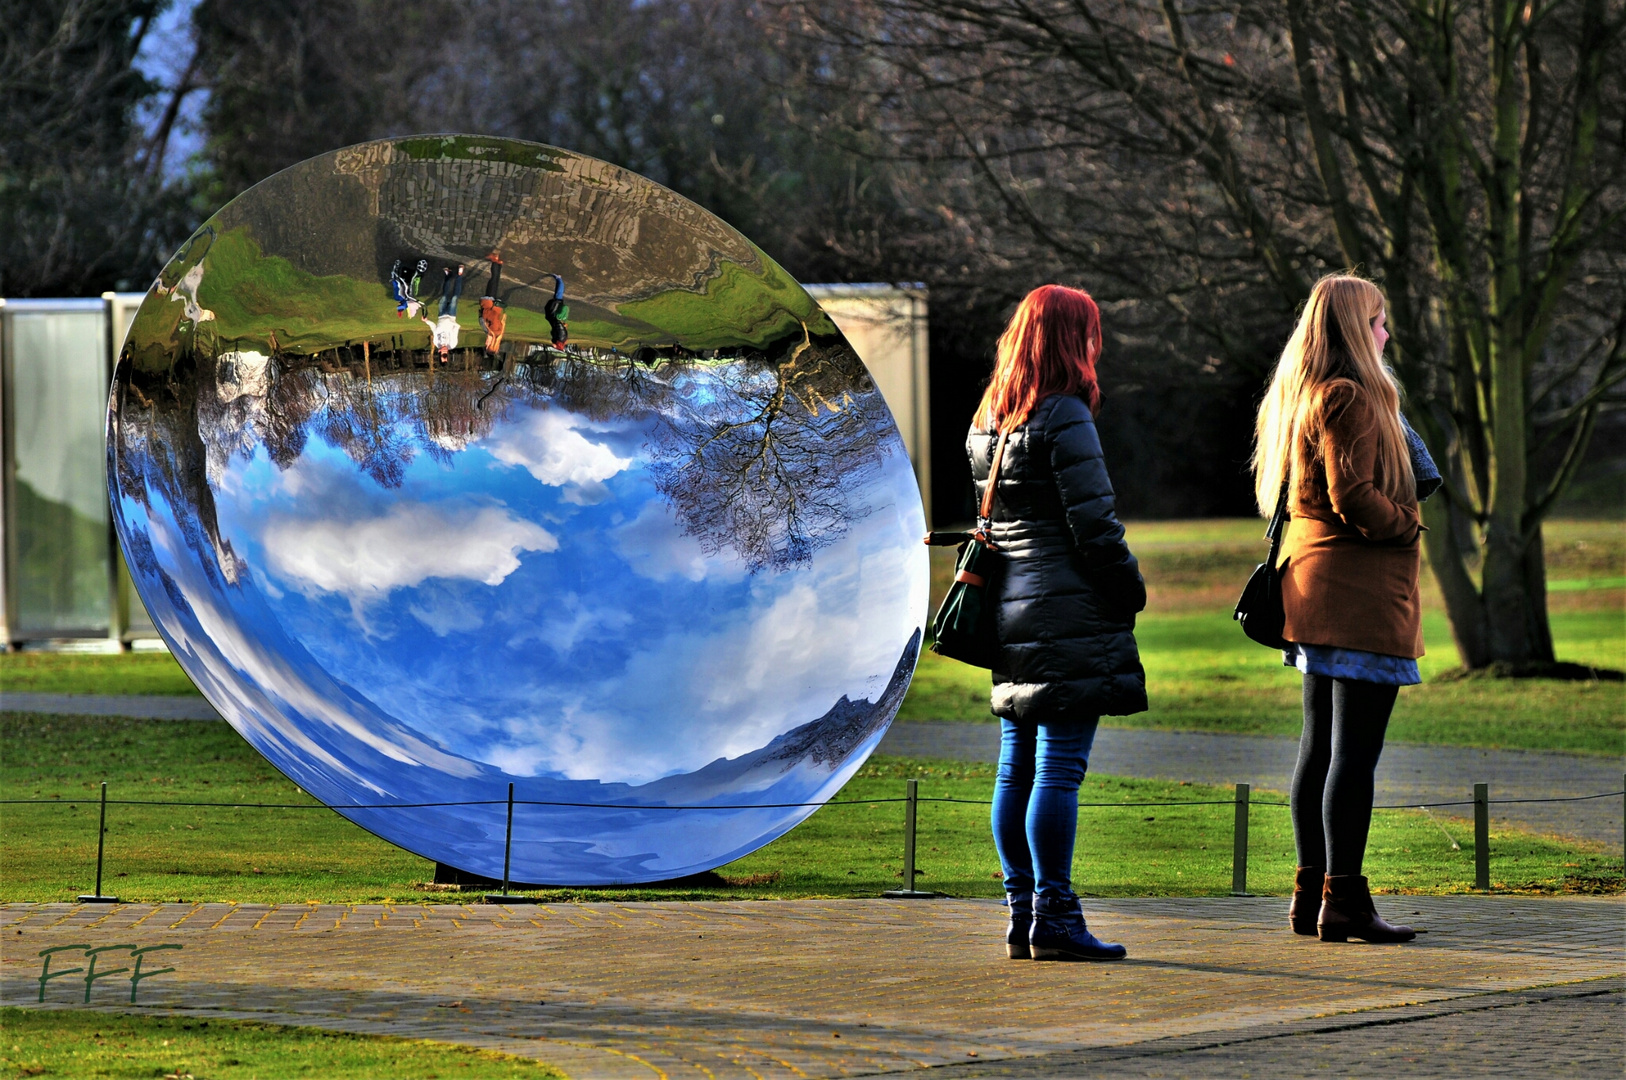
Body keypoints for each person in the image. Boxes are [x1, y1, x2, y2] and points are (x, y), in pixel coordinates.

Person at [970, 284, 1147, 962]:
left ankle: (1022, 913)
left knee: (1015, 767)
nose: (1098, 345)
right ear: (1074, 339)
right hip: (1067, 610)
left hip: (1012, 611)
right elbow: (1094, 528)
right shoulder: (1066, 414)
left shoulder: (991, 418)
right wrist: (1129, 591)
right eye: (1092, 333)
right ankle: (1058, 916)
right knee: (1060, 768)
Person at [1252, 273, 1423, 945]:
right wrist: (1405, 523)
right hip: (1355, 596)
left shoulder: (1306, 395)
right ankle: (1345, 901)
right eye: (1379, 322)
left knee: (1319, 747)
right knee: (1353, 754)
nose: (1386, 333)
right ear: (1355, 328)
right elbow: (1354, 496)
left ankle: (1311, 894)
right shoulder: (1351, 396)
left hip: (1316, 587)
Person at [421, 264, 464, 363]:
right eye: (446, 355)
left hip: (441, 315)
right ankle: (459, 275)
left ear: (440, 352)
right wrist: (450, 322)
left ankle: (448, 275)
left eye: (443, 355)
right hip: (451, 316)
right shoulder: (452, 344)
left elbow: (434, 329)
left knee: (444, 296)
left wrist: (426, 321)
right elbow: (457, 328)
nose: (445, 353)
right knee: (454, 298)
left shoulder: (436, 342)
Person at [479, 252, 507, 356]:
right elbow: (494, 317)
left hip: (491, 304)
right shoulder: (494, 331)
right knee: (493, 281)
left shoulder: (495, 332)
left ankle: (498, 263)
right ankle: (495, 260)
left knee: (494, 281)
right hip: (490, 304)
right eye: (487, 345)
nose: (486, 343)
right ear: (491, 344)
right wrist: (485, 314)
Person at [543, 274, 569, 348]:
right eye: (555, 347)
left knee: (557, 297)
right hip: (556, 315)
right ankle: (559, 278)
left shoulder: (558, 339)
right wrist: (554, 320)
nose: (553, 346)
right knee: (558, 296)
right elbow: (559, 327)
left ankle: (558, 279)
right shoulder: (561, 338)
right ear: (558, 346)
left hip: (553, 317)